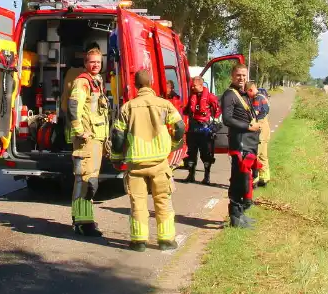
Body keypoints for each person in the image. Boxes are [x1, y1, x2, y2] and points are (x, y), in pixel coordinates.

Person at [111, 69, 186, 252]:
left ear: (136, 85)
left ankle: (138, 241)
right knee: (163, 202)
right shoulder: (164, 104)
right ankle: (166, 240)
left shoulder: (127, 107)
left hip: (136, 165)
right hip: (160, 164)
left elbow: (118, 137)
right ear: (151, 82)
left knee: (138, 203)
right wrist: (175, 144)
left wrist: (116, 158)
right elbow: (179, 126)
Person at [66, 47, 109, 237]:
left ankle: (84, 218)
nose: (96, 65)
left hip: (96, 139)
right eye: (92, 62)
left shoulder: (97, 82)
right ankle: (83, 222)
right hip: (87, 140)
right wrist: (79, 131)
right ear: (85, 63)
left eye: (98, 62)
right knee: (85, 180)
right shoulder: (82, 82)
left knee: (89, 179)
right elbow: (73, 107)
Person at [221, 64, 261, 229]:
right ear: (232, 76)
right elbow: (227, 119)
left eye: (244, 75)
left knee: (244, 180)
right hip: (239, 144)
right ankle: (235, 218)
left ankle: (240, 216)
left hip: (249, 144)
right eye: (238, 75)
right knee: (239, 181)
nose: (241, 78)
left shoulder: (243, 94)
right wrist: (248, 127)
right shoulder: (230, 95)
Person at [181, 76, 221, 184]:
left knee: (206, 154)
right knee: (191, 154)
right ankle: (191, 175)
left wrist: (215, 123)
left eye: (194, 85)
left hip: (205, 129)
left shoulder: (210, 97)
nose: (192, 87)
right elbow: (187, 110)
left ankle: (206, 177)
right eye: (192, 85)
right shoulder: (192, 97)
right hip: (193, 129)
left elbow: (218, 110)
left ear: (201, 85)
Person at [246, 82, 271, 188]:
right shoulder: (263, 96)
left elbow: (254, 114)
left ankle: (255, 178)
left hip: (260, 126)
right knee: (263, 155)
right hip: (265, 125)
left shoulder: (257, 99)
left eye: (247, 93)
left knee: (256, 153)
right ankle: (264, 177)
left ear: (250, 90)